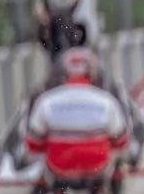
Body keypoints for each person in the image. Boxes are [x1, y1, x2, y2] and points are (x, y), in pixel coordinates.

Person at [23, 47, 131, 182]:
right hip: (98, 167)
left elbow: (33, 143)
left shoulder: (46, 101)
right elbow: (121, 140)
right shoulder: (107, 100)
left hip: (58, 168)